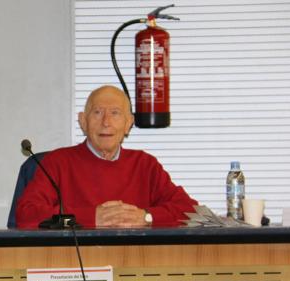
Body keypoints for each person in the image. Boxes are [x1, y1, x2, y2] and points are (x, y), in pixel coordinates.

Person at [15, 85, 197, 228]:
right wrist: (91, 217)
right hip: (72, 265)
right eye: (98, 112)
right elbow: (26, 214)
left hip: (134, 264)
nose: (106, 122)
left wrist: (147, 217)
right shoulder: (56, 163)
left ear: (128, 124)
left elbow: (190, 212)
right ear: (83, 121)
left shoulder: (145, 165)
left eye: (115, 113)